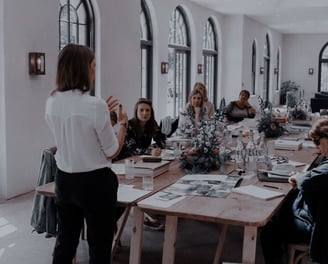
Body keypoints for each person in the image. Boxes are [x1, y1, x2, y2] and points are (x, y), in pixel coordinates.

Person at [45, 43, 128, 264]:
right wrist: (122, 126)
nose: (94, 71)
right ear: (84, 68)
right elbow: (111, 151)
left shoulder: (51, 102)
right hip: (95, 183)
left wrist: (103, 115)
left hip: (64, 180)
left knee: (65, 242)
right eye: (93, 66)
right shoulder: (95, 105)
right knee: (99, 247)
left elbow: (75, 138)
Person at [260, 117, 328, 264]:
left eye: (318, 142)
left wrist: (298, 177)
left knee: (268, 231)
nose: (317, 147)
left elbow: (306, 182)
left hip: (320, 229)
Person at [116, 98, 166, 230]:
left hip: (142, 162)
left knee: (159, 177)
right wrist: (150, 151)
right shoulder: (130, 125)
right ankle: (141, 212)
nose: (145, 113)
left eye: (147, 110)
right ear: (136, 111)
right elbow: (131, 149)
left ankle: (150, 210)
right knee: (144, 183)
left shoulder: (152, 124)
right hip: (124, 163)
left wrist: (154, 147)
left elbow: (162, 140)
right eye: (141, 110)